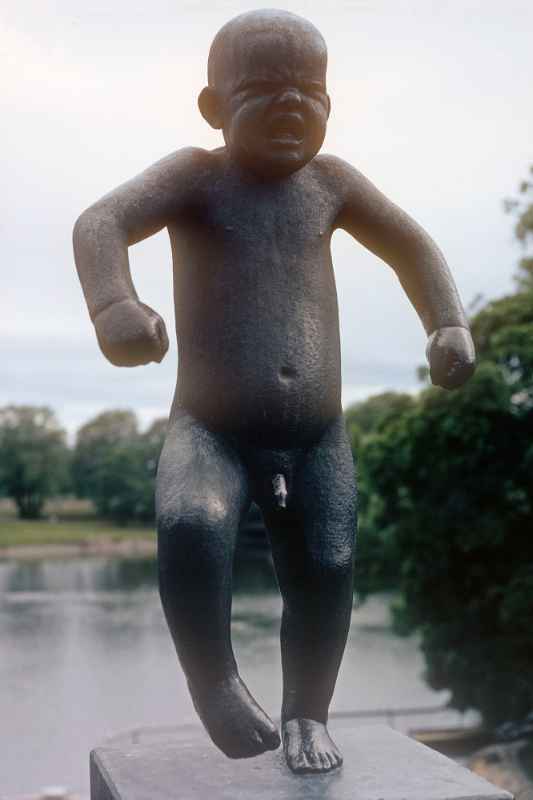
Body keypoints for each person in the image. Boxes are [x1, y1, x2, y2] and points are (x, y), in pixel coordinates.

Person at [73, 9, 475, 774]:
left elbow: (412, 245)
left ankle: (306, 716)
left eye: (310, 90)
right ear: (212, 108)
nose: (292, 104)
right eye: (262, 88)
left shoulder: (331, 184)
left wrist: (446, 323)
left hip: (318, 434)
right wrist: (114, 306)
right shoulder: (197, 176)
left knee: (326, 568)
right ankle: (216, 682)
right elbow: (102, 221)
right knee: (191, 523)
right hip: (211, 427)